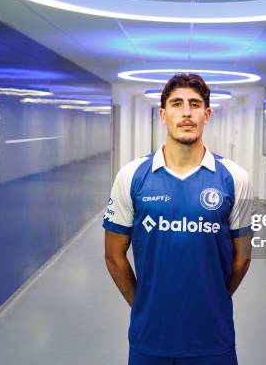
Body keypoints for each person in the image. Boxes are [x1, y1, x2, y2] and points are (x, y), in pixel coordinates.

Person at [103, 73, 253, 365]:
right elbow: (113, 255)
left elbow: (242, 257)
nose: (186, 112)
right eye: (176, 104)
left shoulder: (236, 178)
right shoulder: (131, 176)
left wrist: (214, 300)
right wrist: (144, 304)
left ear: (207, 114)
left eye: (195, 104)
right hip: (150, 336)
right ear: (163, 114)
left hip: (213, 336)